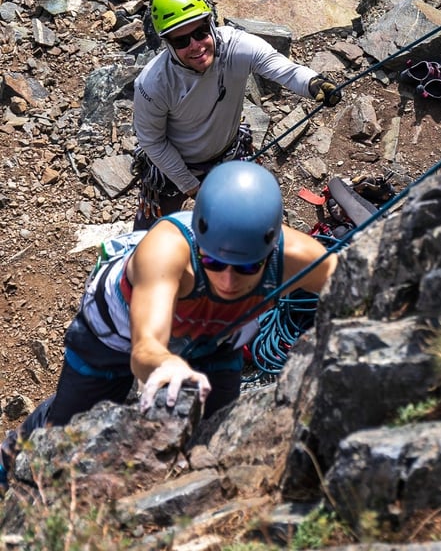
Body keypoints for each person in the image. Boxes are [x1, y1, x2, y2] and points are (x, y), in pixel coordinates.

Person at [0, 161, 336, 491]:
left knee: (214, 434)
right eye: (213, 262)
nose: (229, 280)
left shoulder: (298, 257)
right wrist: (166, 363)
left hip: (216, 340)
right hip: (115, 331)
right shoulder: (165, 251)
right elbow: (145, 345)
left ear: (269, 249)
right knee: (66, 431)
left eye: (247, 268)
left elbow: (357, 285)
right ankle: (11, 453)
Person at [132, 0, 342, 230]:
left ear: (211, 24)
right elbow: (153, 141)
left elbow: (280, 66)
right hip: (173, 164)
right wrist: (191, 187)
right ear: (167, 44)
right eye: (181, 41)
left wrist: (313, 83)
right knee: (148, 237)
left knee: (250, 222)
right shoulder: (153, 83)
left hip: (229, 151)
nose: (196, 46)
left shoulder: (236, 47)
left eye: (200, 32)